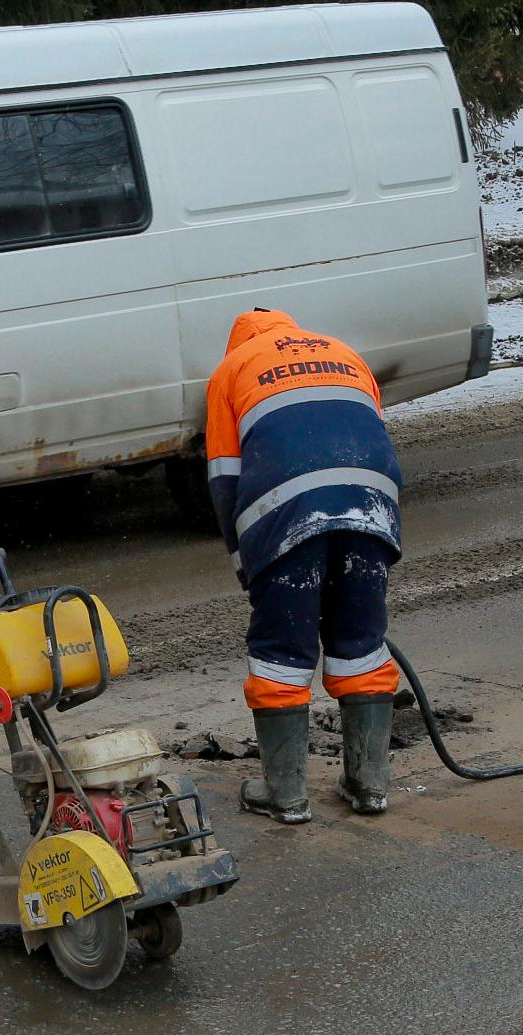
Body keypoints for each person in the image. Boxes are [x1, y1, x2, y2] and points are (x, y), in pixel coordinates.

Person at [204, 308, 405, 824]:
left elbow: (226, 478)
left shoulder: (231, 371)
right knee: (360, 641)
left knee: (281, 650)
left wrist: (246, 561)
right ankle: (369, 785)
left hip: (287, 511)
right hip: (371, 503)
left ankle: (287, 794)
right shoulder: (343, 351)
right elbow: (370, 437)